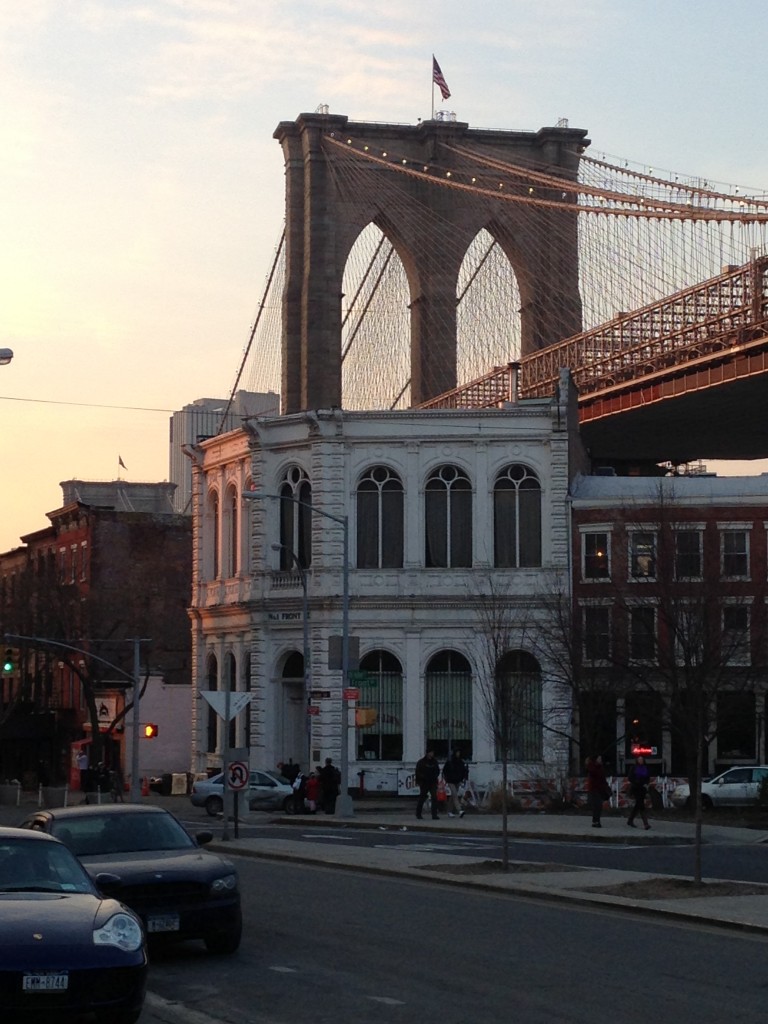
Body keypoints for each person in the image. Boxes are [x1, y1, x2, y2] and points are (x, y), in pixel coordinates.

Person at [626, 755, 651, 829]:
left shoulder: (645, 768)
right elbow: (630, 777)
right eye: (639, 759)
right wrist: (636, 782)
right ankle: (645, 823)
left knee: (638, 805)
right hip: (636, 788)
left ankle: (630, 820)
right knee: (641, 804)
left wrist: (646, 783)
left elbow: (648, 777)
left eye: (642, 759)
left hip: (642, 788)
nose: (640, 761)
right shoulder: (634, 768)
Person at [415, 749, 441, 820]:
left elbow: (437, 771)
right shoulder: (421, 762)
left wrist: (434, 776)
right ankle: (418, 813)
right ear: (427, 753)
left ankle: (434, 814)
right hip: (424, 782)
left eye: (432, 753)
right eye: (430, 753)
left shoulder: (434, 762)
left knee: (434, 797)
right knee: (422, 798)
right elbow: (418, 772)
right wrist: (423, 778)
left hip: (432, 782)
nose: (431, 754)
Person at [443, 748, 469, 818]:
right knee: (454, 794)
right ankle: (459, 810)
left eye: (459, 752)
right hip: (450, 781)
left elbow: (463, 771)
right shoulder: (450, 762)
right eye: (457, 752)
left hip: (457, 781)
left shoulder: (461, 762)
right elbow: (445, 771)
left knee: (453, 796)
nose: (458, 754)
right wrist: (447, 778)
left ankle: (449, 811)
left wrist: (462, 778)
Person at [585, 754, 609, 828]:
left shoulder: (599, 767)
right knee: (597, 805)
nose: (600, 760)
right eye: (599, 759)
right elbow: (595, 774)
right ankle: (596, 821)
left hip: (599, 788)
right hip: (594, 789)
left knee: (598, 806)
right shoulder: (593, 767)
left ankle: (596, 821)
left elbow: (602, 778)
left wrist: (606, 786)